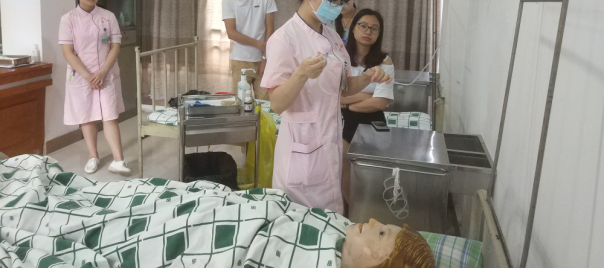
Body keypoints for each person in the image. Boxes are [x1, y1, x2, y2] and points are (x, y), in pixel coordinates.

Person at [0, 155, 436, 268]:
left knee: (104, 228)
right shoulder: (339, 226)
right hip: (211, 206)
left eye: (382, 234)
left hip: (202, 239)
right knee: (126, 195)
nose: (372, 221)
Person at [261, 0, 392, 215]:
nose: (337, 7)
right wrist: (300, 74)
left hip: (330, 141)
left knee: (331, 219)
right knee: (302, 225)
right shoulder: (284, 39)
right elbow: (276, 104)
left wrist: (368, 76)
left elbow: (343, 87)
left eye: (342, 1)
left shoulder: (333, 38)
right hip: (302, 151)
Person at [59, 0, 130, 175]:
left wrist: (102, 72)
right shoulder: (68, 19)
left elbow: (115, 46)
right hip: (82, 75)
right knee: (87, 116)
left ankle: (119, 160)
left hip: (106, 73)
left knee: (110, 115)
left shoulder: (108, 16)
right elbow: (67, 52)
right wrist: (88, 76)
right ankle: (93, 156)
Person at [340, 9, 395, 207]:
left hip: (372, 120)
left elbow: (379, 103)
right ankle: (350, 211)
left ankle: (368, 210)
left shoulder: (384, 61)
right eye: (363, 26)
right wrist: (365, 96)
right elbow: (334, 95)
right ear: (353, 29)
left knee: (368, 171)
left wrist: (347, 103)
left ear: (379, 34)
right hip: (344, 120)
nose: (368, 31)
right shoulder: (342, 57)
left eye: (374, 28)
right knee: (344, 165)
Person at [222, 0, 277, 100]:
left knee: (265, 105)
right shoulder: (228, 0)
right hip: (241, 60)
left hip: (263, 59)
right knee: (241, 105)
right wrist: (259, 44)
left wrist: (265, 57)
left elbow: (270, 29)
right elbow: (231, 33)